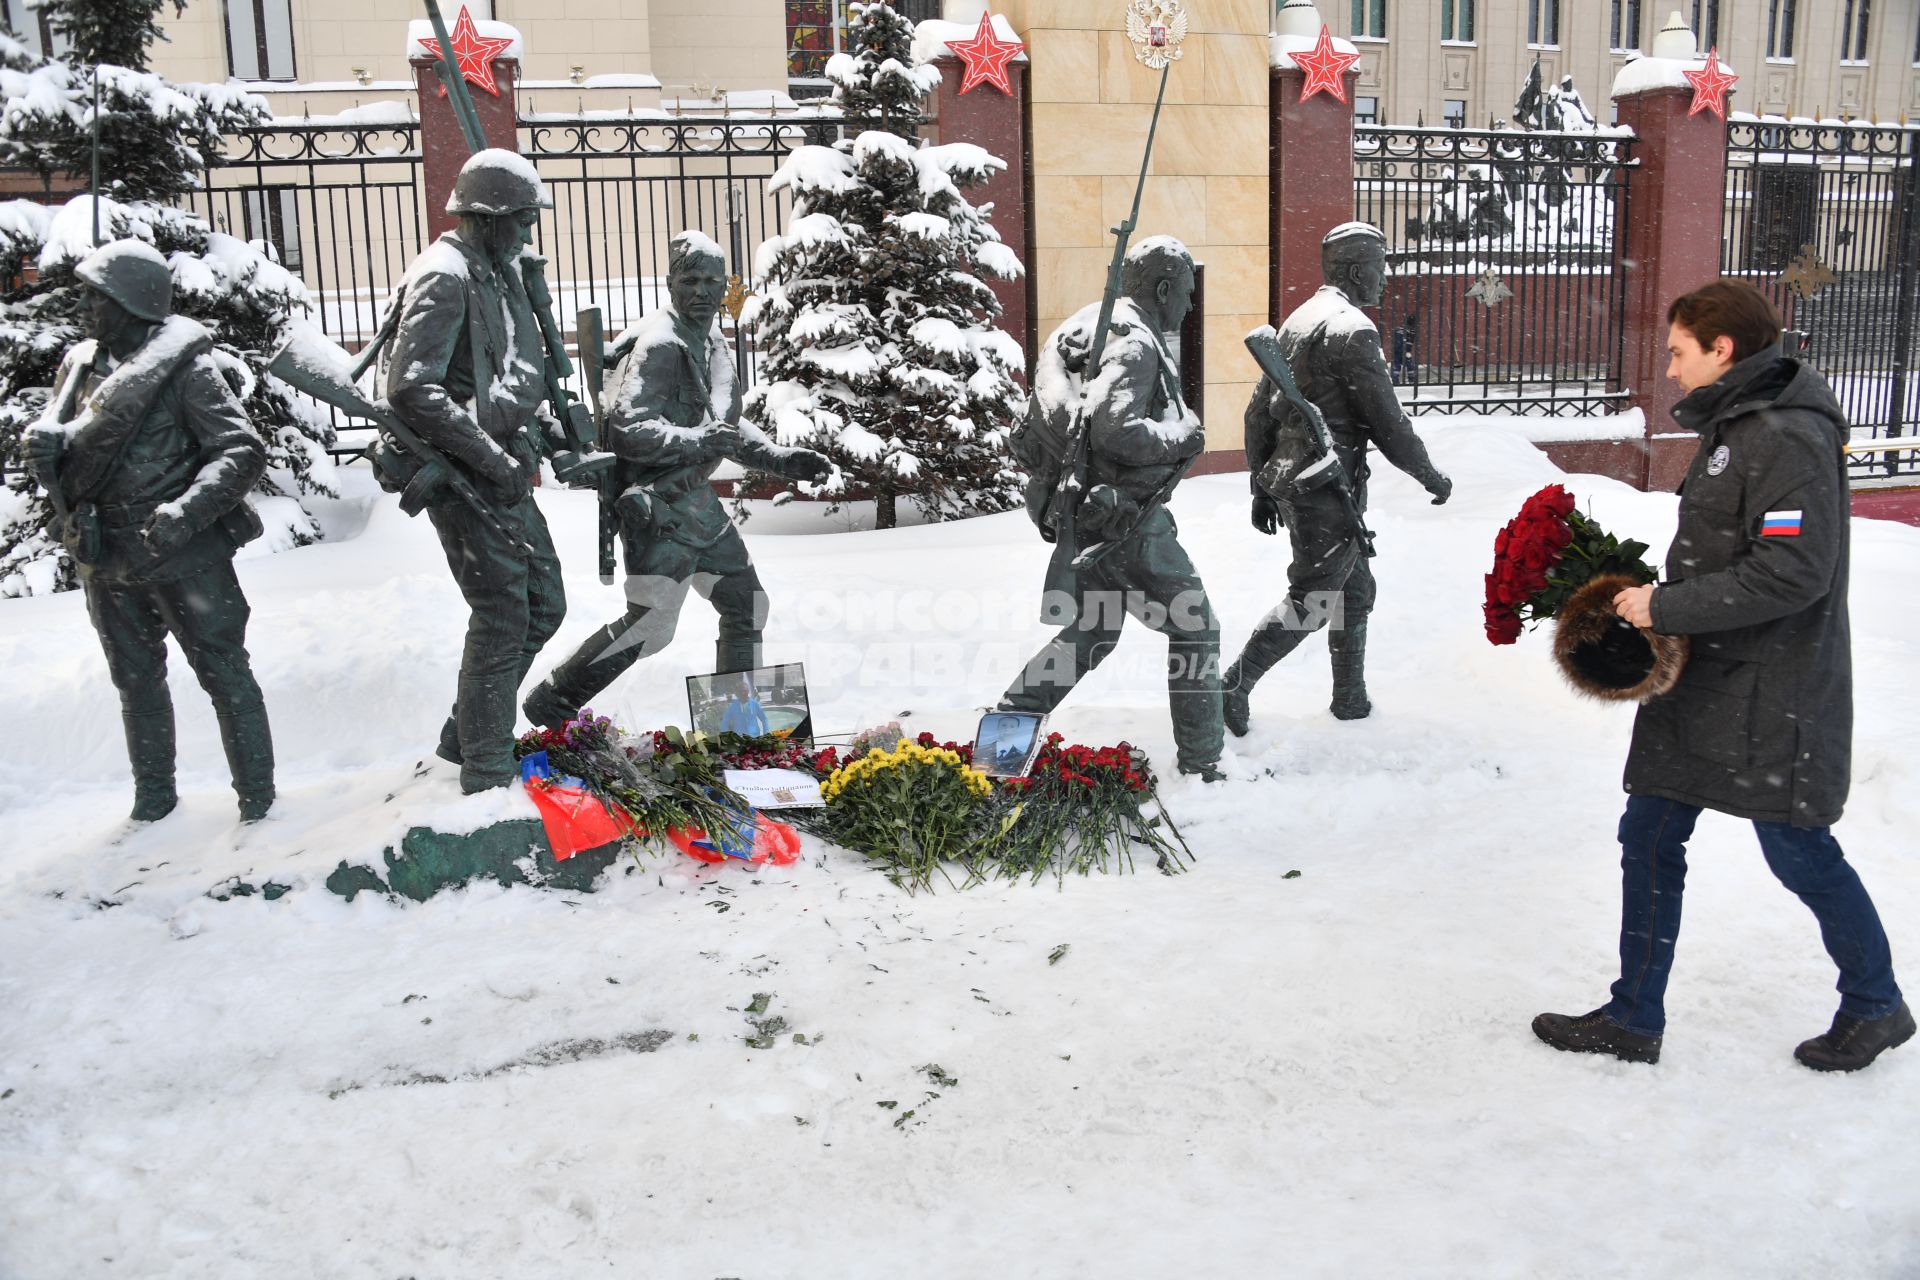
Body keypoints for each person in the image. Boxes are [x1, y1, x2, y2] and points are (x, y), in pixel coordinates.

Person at [1534, 280, 1911, 1072]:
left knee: (1798, 850)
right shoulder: (1741, 424)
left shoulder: (1787, 437)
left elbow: (1792, 573)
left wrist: (1666, 607)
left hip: (1774, 692)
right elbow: (1730, 552)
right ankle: (1634, 1017)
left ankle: (1876, 1005)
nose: (1669, 370)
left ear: (1722, 350)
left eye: (1678, 353)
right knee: (1649, 833)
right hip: (1707, 682)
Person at [521, 232, 830, 728]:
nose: (703, 291)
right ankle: (552, 700)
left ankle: (738, 727)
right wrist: (698, 442)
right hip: (656, 510)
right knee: (651, 627)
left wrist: (780, 459)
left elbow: (724, 428)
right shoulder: (661, 346)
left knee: (746, 605)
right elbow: (629, 429)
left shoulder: (709, 340)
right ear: (670, 283)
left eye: (713, 281)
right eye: (691, 280)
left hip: (699, 506)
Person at [25, 240, 275, 823]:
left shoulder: (187, 370)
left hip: (183, 555)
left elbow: (239, 450)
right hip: (105, 555)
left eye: (96, 297)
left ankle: (258, 803)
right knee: (135, 684)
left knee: (225, 675)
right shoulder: (79, 367)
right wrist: (48, 451)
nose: (84, 307)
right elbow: (73, 455)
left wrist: (185, 513)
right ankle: (154, 800)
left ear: (131, 302)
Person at [998, 236, 1224, 782]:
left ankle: (1009, 725)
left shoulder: (1077, 328)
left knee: (1092, 632)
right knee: (1197, 628)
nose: (1189, 306)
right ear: (1164, 287)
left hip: (1085, 514)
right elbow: (1116, 430)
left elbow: (1048, 419)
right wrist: (1182, 434)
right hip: (1127, 522)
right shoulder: (1136, 342)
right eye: (1187, 293)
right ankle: (1203, 766)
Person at [383, 149, 567, 793]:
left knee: (546, 603)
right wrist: (490, 457)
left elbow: (507, 369)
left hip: (502, 466)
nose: (527, 233)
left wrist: (530, 435)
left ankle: (466, 734)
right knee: (502, 614)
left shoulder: (493, 270)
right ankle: (487, 768)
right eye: (521, 221)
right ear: (489, 220)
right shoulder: (445, 278)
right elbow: (412, 389)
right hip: (463, 473)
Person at [1223, 223, 1451, 734]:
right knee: (1315, 598)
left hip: (1298, 480)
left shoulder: (1300, 321)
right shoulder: (1352, 330)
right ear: (1355, 270)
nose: (1385, 280)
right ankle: (1232, 685)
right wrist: (1430, 476)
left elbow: (1258, 414)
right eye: (1379, 268)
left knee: (1354, 590)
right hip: (1325, 486)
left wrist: (1260, 485)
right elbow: (1388, 423)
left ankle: (1350, 697)